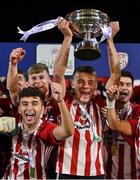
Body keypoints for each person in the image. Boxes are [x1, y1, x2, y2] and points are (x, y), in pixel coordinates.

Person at [52, 21, 120, 178]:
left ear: (96, 85)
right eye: (80, 81)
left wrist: (109, 39)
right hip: (66, 173)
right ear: (73, 83)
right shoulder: (64, 101)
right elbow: (58, 75)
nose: (86, 86)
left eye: (91, 82)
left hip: (96, 173)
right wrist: (68, 37)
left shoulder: (100, 103)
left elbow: (116, 75)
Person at [1, 85, 74, 179]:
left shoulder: (46, 128)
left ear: (43, 109)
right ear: (19, 109)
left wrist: (60, 100)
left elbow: (67, 131)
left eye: (34, 103)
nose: (29, 108)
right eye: (25, 104)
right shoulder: (12, 126)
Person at [106, 76, 140, 179]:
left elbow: (115, 124)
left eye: (128, 85)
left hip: (134, 176)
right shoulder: (101, 108)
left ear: (132, 91)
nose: (124, 87)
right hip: (108, 176)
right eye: (120, 84)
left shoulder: (137, 111)